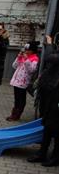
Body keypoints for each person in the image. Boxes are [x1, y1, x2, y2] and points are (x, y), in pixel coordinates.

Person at [27, 35, 59, 167]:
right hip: (51, 94)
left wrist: (50, 45)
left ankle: (55, 158)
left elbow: (50, 58)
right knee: (47, 126)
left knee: (56, 128)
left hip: (57, 97)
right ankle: (42, 153)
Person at [6, 41, 39, 121]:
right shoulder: (24, 56)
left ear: (32, 50)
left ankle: (17, 115)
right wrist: (18, 57)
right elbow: (14, 66)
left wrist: (27, 59)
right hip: (16, 81)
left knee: (21, 100)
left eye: (28, 50)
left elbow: (31, 70)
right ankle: (13, 114)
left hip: (23, 82)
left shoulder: (34, 59)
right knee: (16, 99)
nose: (26, 51)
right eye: (26, 50)